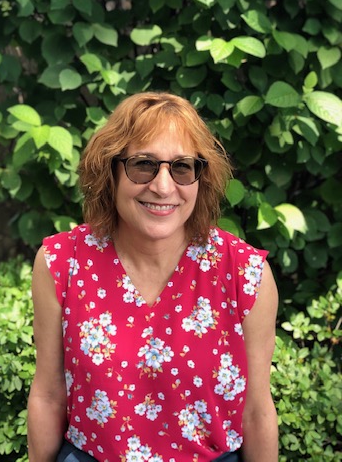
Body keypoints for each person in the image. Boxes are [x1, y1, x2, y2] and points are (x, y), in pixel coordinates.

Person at [27, 92, 279, 462]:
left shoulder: (244, 273)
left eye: (181, 167)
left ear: (200, 178)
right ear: (110, 171)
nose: (163, 186)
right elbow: (49, 395)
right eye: (143, 165)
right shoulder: (62, 263)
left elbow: (256, 412)